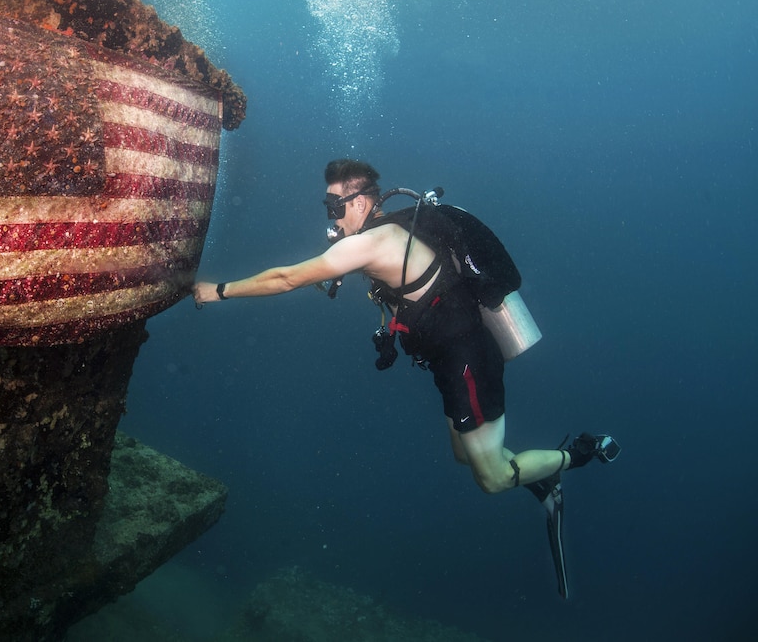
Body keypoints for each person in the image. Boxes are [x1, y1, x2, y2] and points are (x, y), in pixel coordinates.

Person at [192, 158, 618, 597]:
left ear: (360, 202)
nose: (331, 217)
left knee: (490, 478)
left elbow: (285, 279)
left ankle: (574, 457)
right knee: (464, 456)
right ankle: (531, 471)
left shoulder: (375, 242)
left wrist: (218, 291)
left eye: (334, 206)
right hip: (449, 364)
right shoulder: (389, 232)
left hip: (468, 363)